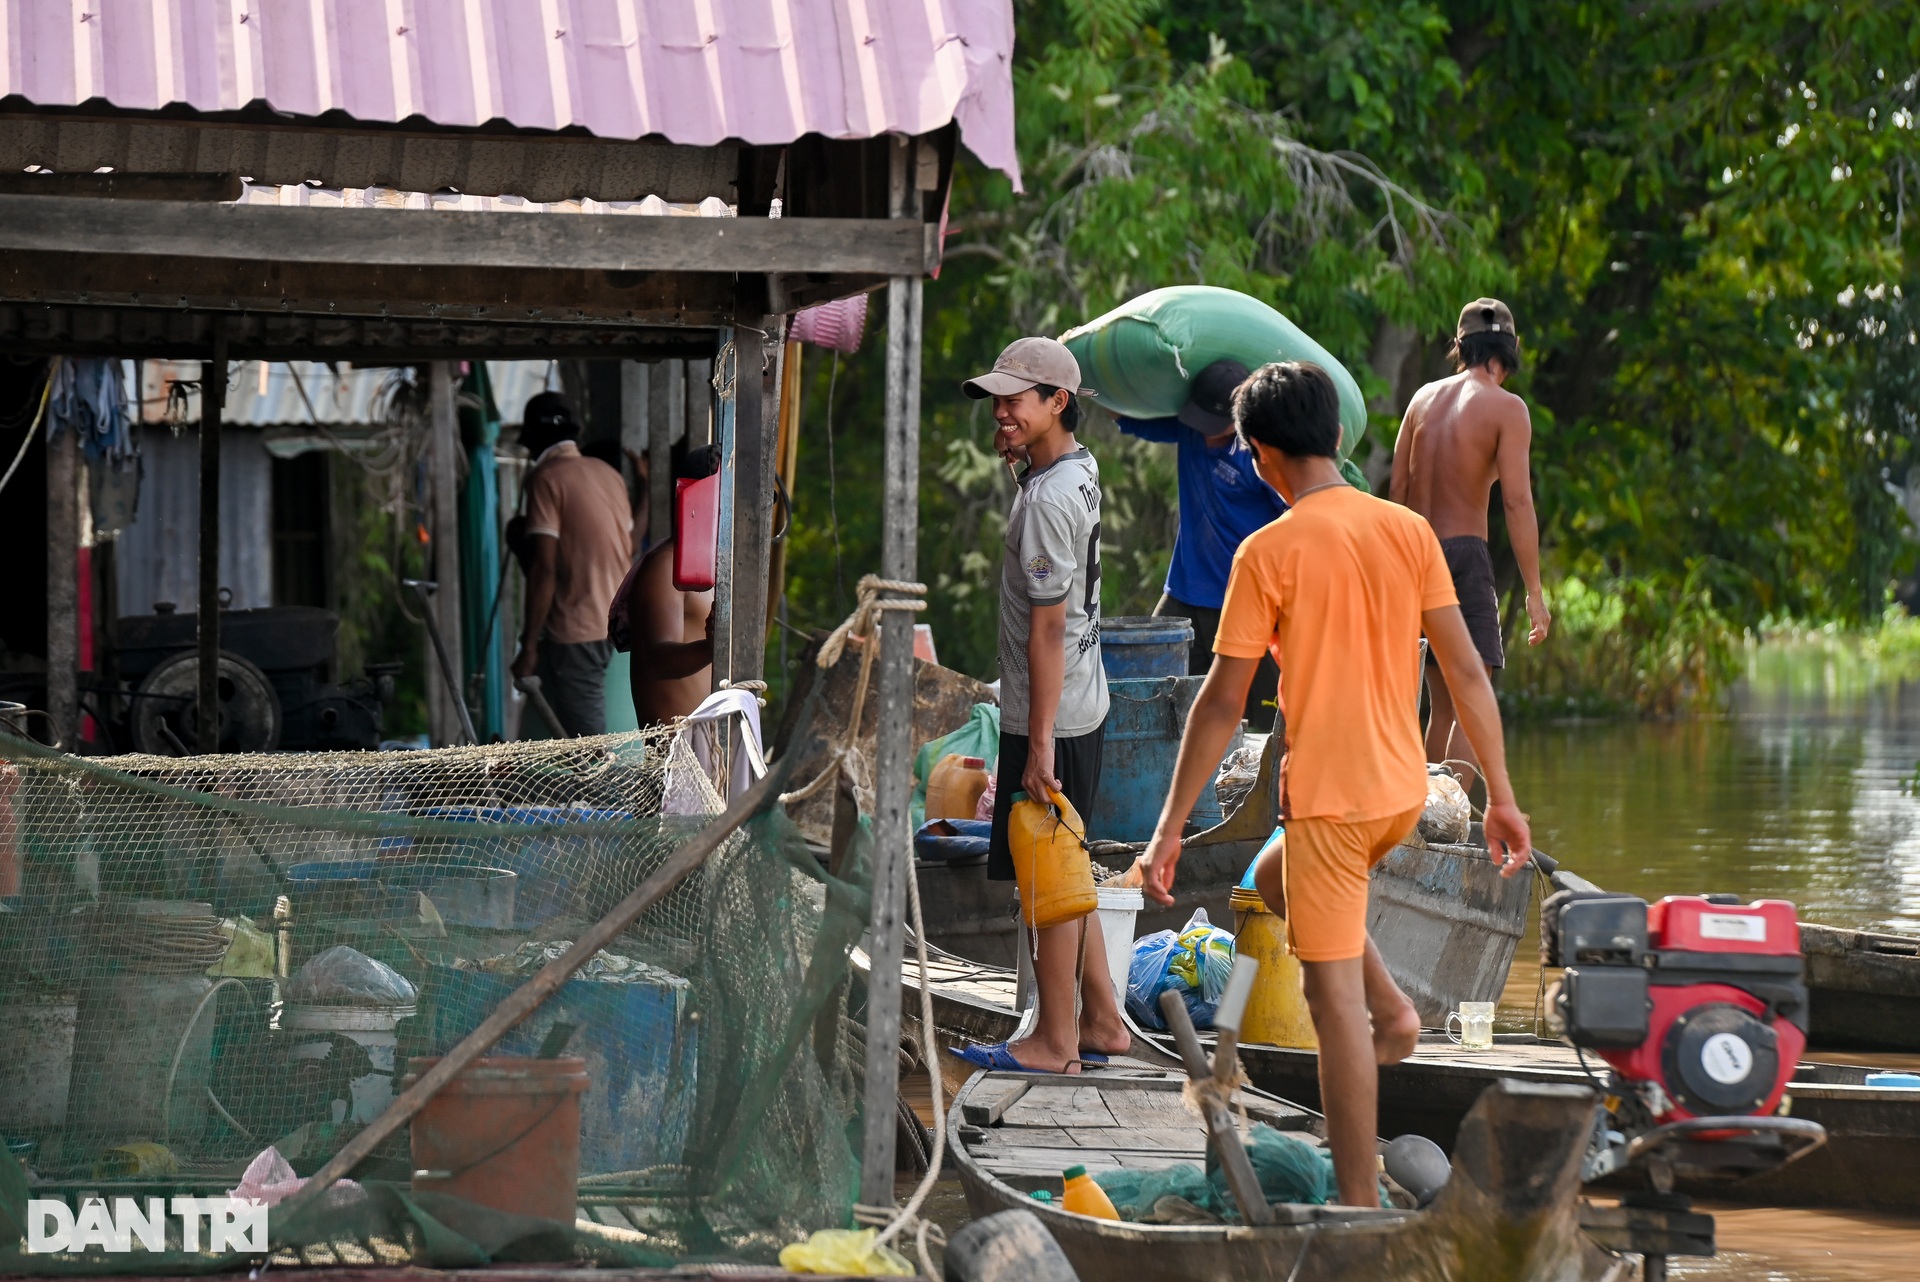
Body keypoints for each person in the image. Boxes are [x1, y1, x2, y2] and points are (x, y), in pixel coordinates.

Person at [1141, 360, 1532, 1206]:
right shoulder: (1406, 529)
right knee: (1273, 882)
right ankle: (1393, 1010)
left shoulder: (1267, 551)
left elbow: (1219, 705)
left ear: (1261, 454)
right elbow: (1465, 671)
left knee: (1329, 1007)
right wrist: (1498, 797)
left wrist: (1170, 826)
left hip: (1330, 801)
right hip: (1402, 794)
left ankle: (1356, 1202)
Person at [950, 337, 1128, 1075]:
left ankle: (1056, 1042)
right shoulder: (1071, 472)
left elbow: (1049, 626)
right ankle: (1105, 1021)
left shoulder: (1050, 498)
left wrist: (1040, 741)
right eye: (998, 398)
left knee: (1047, 873)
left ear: (1059, 402)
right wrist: (1023, 460)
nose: (1001, 411)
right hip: (1082, 700)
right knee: (1066, 863)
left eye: (1017, 400)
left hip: (1052, 713)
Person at [1390, 298, 1550, 777]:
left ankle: (1423, 819)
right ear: (1512, 349)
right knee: (1471, 699)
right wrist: (1535, 593)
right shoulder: (1507, 409)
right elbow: (1517, 502)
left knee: (1441, 706)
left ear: (1460, 346)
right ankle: (1451, 826)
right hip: (1464, 555)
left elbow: (1397, 490)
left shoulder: (1420, 400)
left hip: (1415, 554)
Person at [1116, 359, 1288, 722]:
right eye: (1201, 424)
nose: (1207, 434)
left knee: (1262, 715)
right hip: (1183, 595)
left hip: (1242, 600)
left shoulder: (1259, 456)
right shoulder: (1190, 431)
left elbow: (1295, 518)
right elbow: (1132, 419)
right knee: (1152, 694)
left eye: (1217, 426)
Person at [509, 391, 634, 737]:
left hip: (578, 629)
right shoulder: (609, 474)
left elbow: (544, 569)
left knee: (589, 745)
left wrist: (529, 646)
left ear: (533, 443)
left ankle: (603, 790)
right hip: (618, 618)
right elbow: (628, 546)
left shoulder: (546, 478)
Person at [608, 445, 717, 727]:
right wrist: (712, 647)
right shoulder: (666, 565)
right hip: (676, 757)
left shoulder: (719, 566)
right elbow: (657, 660)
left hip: (714, 751)